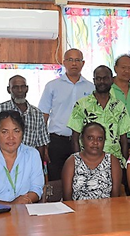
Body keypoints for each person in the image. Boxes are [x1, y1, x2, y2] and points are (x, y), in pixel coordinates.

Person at [62, 122, 121, 236]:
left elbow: (116, 197)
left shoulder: (112, 161)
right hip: (78, 219)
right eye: (90, 138)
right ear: (82, 140)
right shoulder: (72, 161)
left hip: (106, 218)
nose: (95, 143)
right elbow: (67, 198)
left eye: (99, 139)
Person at [39, 48, 95, 181]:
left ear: (83, 63)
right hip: (57, 141)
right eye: (70, 60)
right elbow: (44, 116)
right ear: (64, 62)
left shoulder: (91, 88)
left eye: (77, 60)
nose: (74, 63)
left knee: (81, 179)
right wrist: (44, 144)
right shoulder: (52, 86)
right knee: (56, 179)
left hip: (83, 142)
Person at [68, 65, 130, 168]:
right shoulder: (81, 105)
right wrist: (80, 163)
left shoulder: (119, 106)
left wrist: (124, 162)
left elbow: (123, 139)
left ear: (112, 80)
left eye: (105, 78)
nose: (102, 81)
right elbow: (75, 138)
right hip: (88, 162)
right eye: (98, 78)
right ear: (94, 81)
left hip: (115, 162)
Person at [0, 75, 50, 163]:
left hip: (29, 161)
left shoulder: (37, 113)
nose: (20, 91)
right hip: (5, 160)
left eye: (22, 87)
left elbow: (41, 144)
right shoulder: (0, 109)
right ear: (9, 90)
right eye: (15, 87)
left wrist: (38, 164)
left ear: (27, 89)